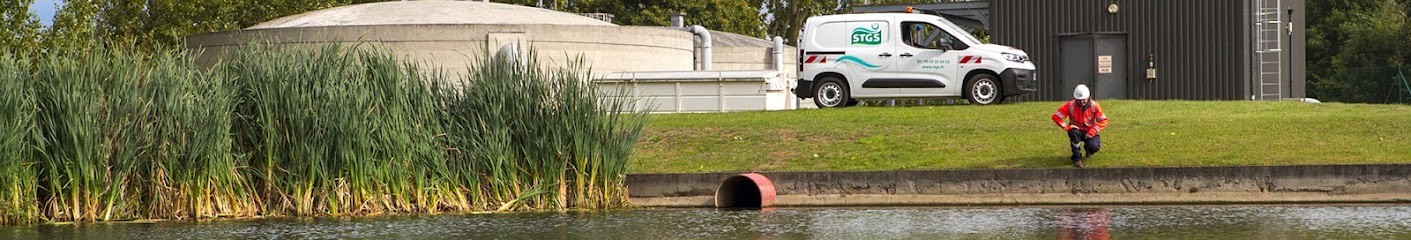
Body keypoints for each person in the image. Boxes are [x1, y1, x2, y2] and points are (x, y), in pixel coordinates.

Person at [1050, 84, 1108, 168]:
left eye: (1083, 100)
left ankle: (1089, 150)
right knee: (1074, 134)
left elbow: (1103, 120)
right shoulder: (1070, 105)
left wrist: (1093, 131)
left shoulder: (1095, 106)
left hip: (1090, 131)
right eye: (1079, 100)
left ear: (1088, 97)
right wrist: (1067, 127)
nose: (1081, 102)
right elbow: (1056, 117)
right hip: (1076, 130)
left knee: (1095, 147)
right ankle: (1076, 158)